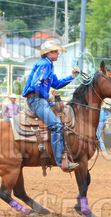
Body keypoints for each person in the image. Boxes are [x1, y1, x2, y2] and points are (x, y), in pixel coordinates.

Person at [22, 40, 80, 172]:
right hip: (36, 100)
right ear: (49, 53)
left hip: (40, 99)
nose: (58, 53)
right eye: (55, 51)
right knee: (56, 125)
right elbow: (37, 84)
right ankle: (60, 161)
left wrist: (72, 77)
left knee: (63, 112)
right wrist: (46, 95)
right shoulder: (44, 64)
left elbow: (57, 84)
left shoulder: (48, 65)